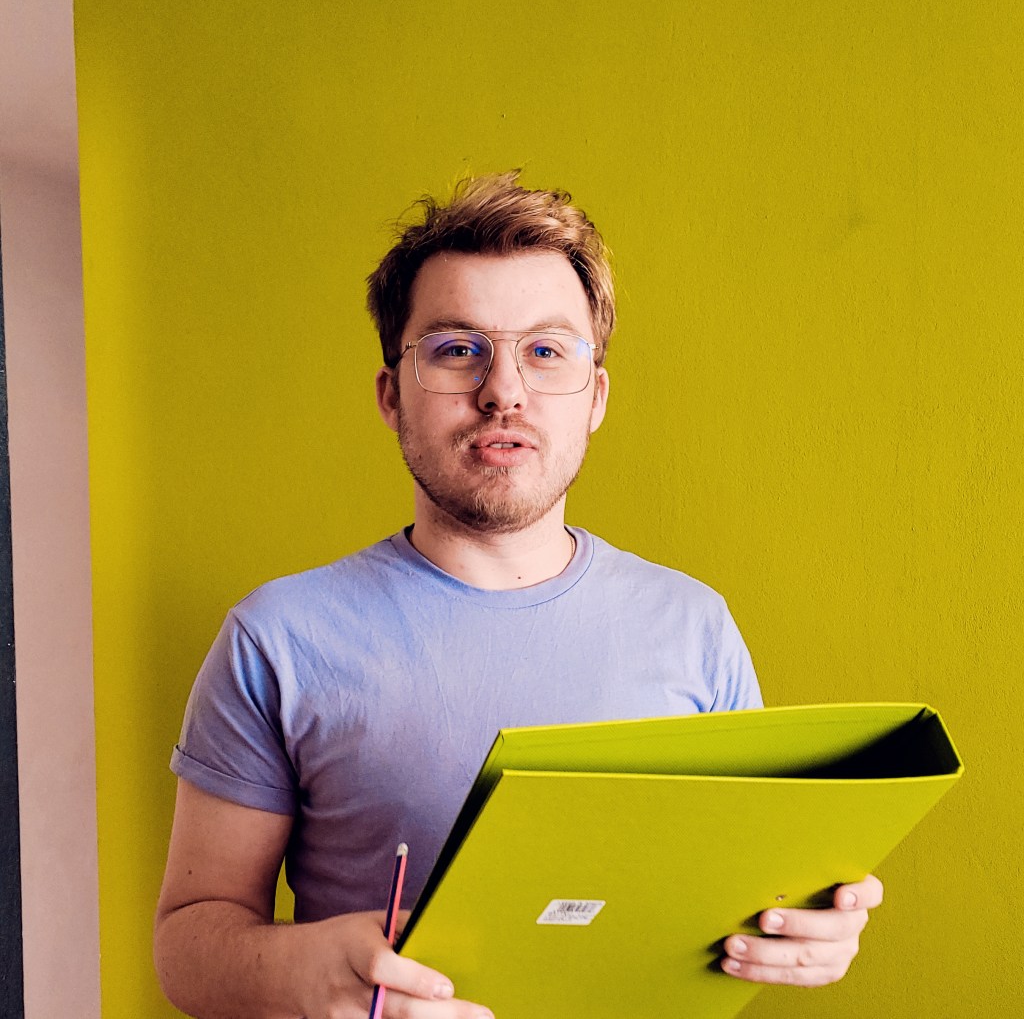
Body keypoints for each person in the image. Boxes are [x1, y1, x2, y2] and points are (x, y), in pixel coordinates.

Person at [154, 173, 883, 1019]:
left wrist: (805, 930)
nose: (503, 390)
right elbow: (188, 944)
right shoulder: (276, 637)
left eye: (545, 351)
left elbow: (750, 901)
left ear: (595, 397)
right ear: (392, 395)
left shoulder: (695, 627)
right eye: (457, 349)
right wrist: (306, 974)